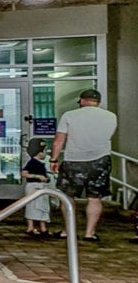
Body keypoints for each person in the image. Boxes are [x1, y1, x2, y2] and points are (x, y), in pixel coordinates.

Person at [51, 88, 117, 243]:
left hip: (74, 160)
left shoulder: (69, 115)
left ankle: (67, 231)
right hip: (100, 160)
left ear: (81, 100)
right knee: (94, 198)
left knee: (68, 197)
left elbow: (59, 140)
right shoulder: (111, 116)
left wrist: (54, 159)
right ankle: (89, 232)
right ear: (98, 102)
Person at [21, 139, 54, 238]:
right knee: (33, 206)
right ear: (39, 152)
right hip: (34, 186)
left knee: (42, 207)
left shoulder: (40, 163)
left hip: (41, 186)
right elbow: (24, 174)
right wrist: (38, 177)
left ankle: (42, 227)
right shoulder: (32, 162)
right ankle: (30, 227)